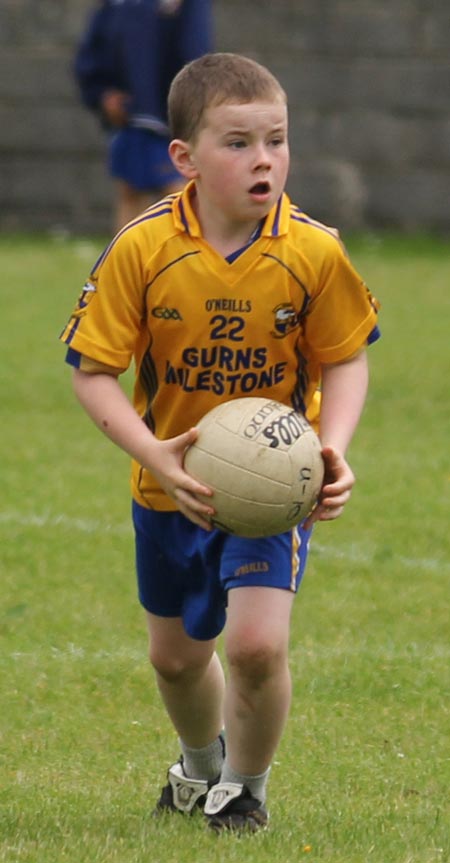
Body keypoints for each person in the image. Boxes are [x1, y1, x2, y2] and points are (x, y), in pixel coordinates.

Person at [60, 52, 380, 832]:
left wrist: (330, 448)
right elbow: (94, 371)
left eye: (276, 139)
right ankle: (198, 765)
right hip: (169, 489)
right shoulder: (142, 247)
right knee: (175, 658)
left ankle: (244, 787)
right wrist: (154, 454)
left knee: (257, 647)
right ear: (185, 158)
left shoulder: (311, 250)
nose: (263, 158)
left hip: (270, 492)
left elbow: (345, 358)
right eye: (237, 142)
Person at [74, 0, 213, 230]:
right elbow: (91, 54)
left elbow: (196, 52)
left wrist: (189, 107)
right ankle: (128, 262)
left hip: (171, 120)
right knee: (130, 191)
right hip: (131, 119)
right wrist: (103, 94)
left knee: (180, 192)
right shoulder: (116, 6)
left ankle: (191, 259)